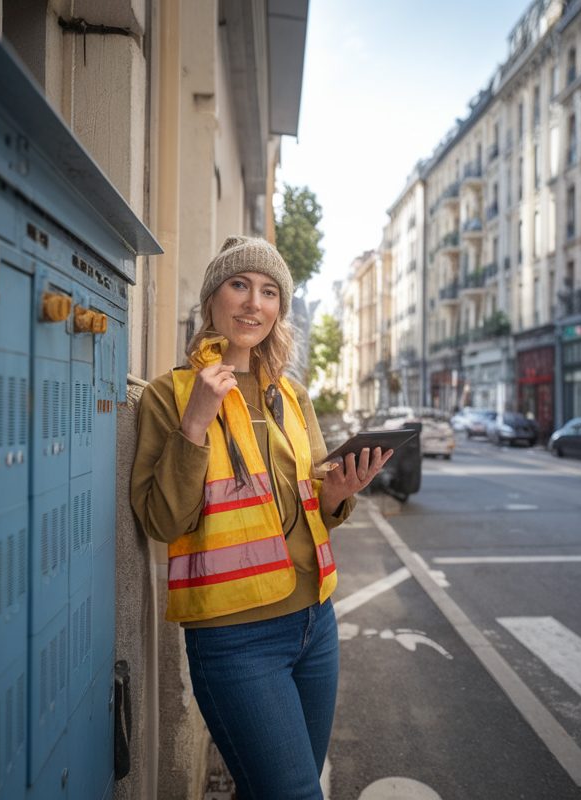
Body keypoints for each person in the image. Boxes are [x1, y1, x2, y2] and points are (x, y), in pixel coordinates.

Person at [130, 236, 392, 799]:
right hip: (235, 637)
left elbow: (316, 501)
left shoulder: (291, 395)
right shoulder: (167, 396)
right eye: (239, 285)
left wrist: (340, 491)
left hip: (314, 622)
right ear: (212, 300)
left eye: (270, 291)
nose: (254, 303)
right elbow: (161, 521)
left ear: (280, 310)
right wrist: (195, 425)